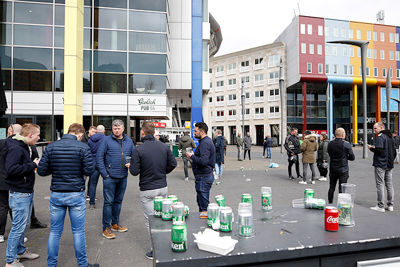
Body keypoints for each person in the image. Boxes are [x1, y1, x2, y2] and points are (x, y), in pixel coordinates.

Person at [37, 123, 98, 267]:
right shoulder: (83, 147)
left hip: (57, 193)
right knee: (78, 231)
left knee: (55, 232)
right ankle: (82, 264)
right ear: (80, 134)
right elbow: (90, 170)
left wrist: (56, 168)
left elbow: (41, 171)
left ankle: (51, 265)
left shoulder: (51, 147)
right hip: (76, 194)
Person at [129, 121, 177, 260]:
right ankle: (166, 245)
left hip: (147, 188)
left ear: (143, 133)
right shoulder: (163, 146)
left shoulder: (139, 149)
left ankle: (155, 250)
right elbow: (173, 164)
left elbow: (134, 171)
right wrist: (162, 172)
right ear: (154, 131)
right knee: (163, 217)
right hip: (162, 187)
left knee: (150, 220)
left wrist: (130, 165)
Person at [4, 123, 41, 267]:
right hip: (20, 192)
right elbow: (11, 169)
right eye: (37, 135)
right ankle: (10, 261)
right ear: (30, 135)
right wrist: (33, 165)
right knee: (18, 227)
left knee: (22, 225)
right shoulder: (16, 147)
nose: (39, 138)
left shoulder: (23, 145)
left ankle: (20, 251)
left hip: (24, 191)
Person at [97, 119, 134, 239]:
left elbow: (134, 156)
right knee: (108, 202)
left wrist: (132, 164)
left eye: (119, 128)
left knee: (118, 201)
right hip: (109, 177)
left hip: (123, 176)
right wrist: (104, 174)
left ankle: (115, 224)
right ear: (112, 129)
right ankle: (106, 228)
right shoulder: (106, 140)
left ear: (123, 129)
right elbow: (99, 157)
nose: (116, 130)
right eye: (114, 128)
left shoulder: (129, 141)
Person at [186, 122, 215, 218]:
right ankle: (204, 223)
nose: (194, 133)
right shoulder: (205, 142)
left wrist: (192, 156)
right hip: (203, 176)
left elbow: (204, 161)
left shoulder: (205, 143)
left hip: (204, 176)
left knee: (203, 206)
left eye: (195, 131)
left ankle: (205, 226)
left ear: (202, 132)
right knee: (202, 202)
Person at [368, 122, 396, 212]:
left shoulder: (380, 137)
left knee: (380, 184)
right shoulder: (390, 137)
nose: (374, 130)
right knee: (389, 184)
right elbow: (394, 152)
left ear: (381, 127)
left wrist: (371, 148)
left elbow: (379, 150)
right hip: (389, 164)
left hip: (381, 164)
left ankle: (381, 206)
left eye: (375, 128)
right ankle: (390, 205)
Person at [327, 128, 355, 204]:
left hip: (333, 168)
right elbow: (352, 157)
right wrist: (346, 157)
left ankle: (330, 203)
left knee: (332, 187)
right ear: (343, 135)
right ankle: (341, 204)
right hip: (343, 169)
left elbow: (329, 154)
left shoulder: (330, 143)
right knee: (342, 188)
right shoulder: (346, 144)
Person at [87, 124, 106, 209]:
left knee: (93, 183)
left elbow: (88, 152)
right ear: (104, 131)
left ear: (97, 131)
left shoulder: (90, 140)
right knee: (107, 183)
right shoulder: (106, 139)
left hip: (93, 163)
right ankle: (108, 201)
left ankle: (91, 203)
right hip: (103, 163)